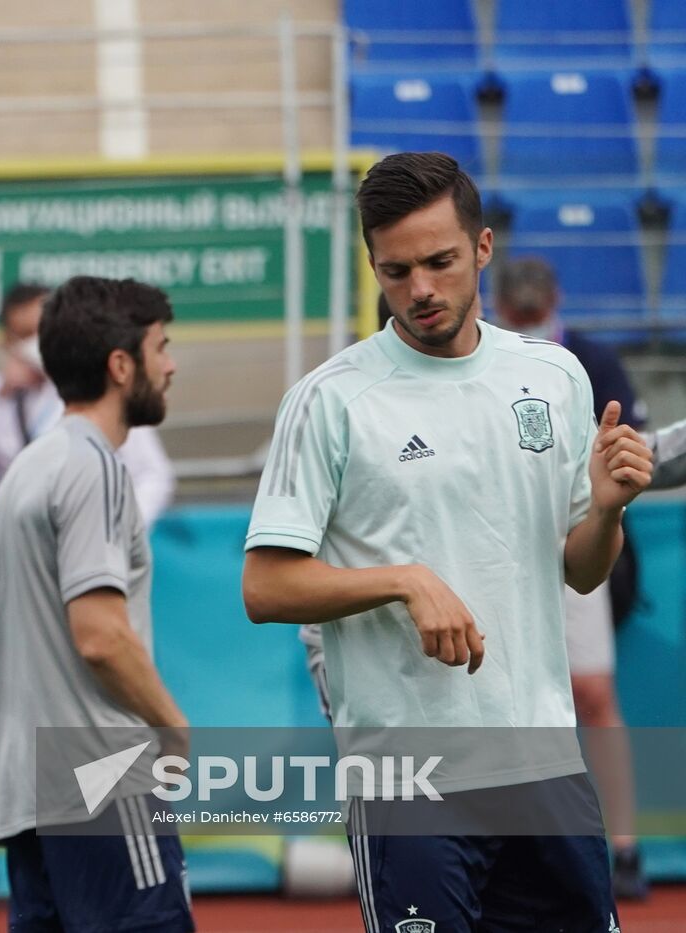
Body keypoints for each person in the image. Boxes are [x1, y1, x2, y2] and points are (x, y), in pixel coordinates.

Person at [243, 152, 652, 932]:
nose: (421, 289)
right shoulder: (329, 400)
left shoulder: (556, 376)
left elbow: (581, 571)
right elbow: (265, 586)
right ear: (373, 265)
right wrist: (404, 580)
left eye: (440, 262)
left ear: (484, 249)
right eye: (397, 271)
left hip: (545, 765)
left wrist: (605, 513)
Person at [0, 282, 174, 909]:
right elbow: (100, 638)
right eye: (161, 348)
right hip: (104, 780)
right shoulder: (92, 467)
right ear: (121, 365)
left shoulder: (27, 474)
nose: (170, 366)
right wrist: (175, 727)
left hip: (30, 800)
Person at [495, 255, 649, 899]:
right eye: (519, 311)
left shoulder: (591, 360)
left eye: (539, 310)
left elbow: (632, 453)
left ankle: (625, 846)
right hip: (500, 551)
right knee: (504, 703)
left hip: (578, 536)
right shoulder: (483, 362)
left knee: (590, 692)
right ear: (501, 307)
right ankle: (516, 849)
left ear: (555, 299)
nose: (530, 319)